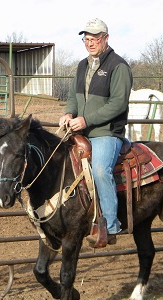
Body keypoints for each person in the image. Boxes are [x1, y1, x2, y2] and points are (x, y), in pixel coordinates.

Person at [59, 18, 133, 247]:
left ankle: (111, 225)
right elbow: (73, 96)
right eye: (86, 39)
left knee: (101, 170)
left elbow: (118, 104)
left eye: (95, 39)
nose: (90, 43)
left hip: (106, 133)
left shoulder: (119, 66)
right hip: (80, 130)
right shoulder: (82, 65)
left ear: (106, 38)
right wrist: (69, 113)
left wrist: (87, 119)